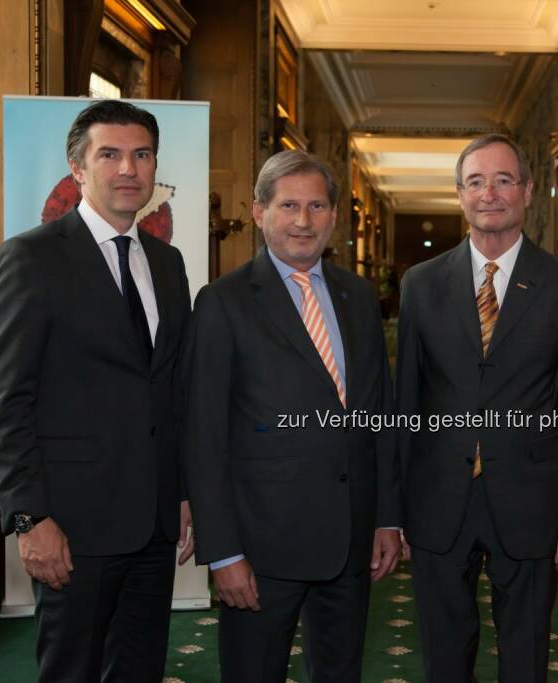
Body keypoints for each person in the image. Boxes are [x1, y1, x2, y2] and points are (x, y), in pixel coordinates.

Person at [0, 99, 194, 681]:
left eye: (142, 154)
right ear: (77, 168)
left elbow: (171, 390)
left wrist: (183, 491)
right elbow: (7, 399)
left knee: (139, 667)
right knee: (72, 670)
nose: (129, 168)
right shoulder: (31, 258)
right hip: (71, 523)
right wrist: (29, 517)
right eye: (110, 154)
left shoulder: (168, 264)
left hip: (152, 522)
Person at [182, 150, 401, 683]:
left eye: (316, 206)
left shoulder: (357, 295)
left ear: (332, 216)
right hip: (260, 548)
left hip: (350, 541)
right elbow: (203, 434)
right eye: (288, 206)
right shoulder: (223, 302)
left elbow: (380, 415)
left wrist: (387, 516)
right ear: (259, 212)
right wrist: (223, 552)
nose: (303, 221)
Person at [395, 133, 558, 683]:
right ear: (459, 195)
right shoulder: (421, 284)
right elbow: (405, 405)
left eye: (504, 180)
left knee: (526, 654)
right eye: (476, 182)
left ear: (528, 191)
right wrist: (396, 510)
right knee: (443, 653)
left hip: (533, 501)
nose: (490, 193)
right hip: (438, 500)